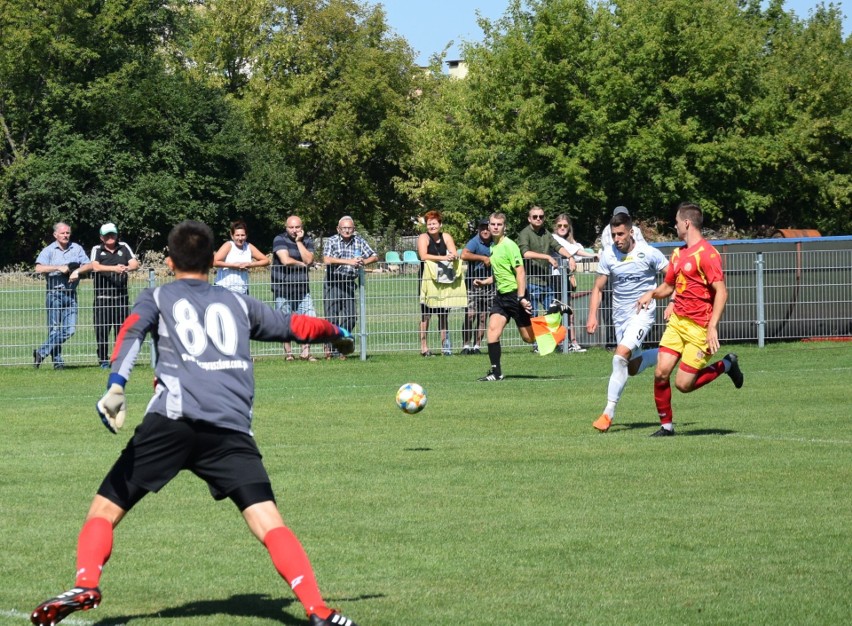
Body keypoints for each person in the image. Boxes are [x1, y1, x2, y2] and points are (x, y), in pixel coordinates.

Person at [30, 220, 359, 626]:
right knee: (268, 520)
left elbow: (130, 333)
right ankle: (318, 609)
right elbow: (295, 326)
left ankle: (86, 582)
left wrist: (116, 385)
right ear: (212, 261)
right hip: (230, 426)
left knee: (104, 509)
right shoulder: (239, 304)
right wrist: (338, 332)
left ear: (169, 262)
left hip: (171, 421)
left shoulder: (158, 295)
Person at [636, 202, 744, 437]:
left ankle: (727, 365)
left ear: (686, 223)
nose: (674, 225)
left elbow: (722, 292)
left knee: (683, 385)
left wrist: (712, 327)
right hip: (677, 324)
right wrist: (652, 293)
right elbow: (668, 286)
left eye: (676, 221)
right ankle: (666, 427)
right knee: (660, 372)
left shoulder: (707, 254)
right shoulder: (678, 253)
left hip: (699, 328)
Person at [586, 211, 669, 432]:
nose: (617, 239)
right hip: (619, 316)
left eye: (621, 234)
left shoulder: (649, 253)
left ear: (631, 232)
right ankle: (666, 353)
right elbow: (598, 287)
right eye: (613, 235)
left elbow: (674, 278)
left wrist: (671, 301)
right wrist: (593, 314)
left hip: (643, 313)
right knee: (630, 367)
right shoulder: (608, 255)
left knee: (619, 356)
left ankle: (607, 413)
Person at [477, 212, 571, 381]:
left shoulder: (510, 245)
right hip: (501, 297)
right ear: (489, 226)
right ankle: (496, 373)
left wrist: (521, 297)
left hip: (515, 296)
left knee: (529, 338)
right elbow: (502, 273)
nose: (495, 227)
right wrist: (485, 282)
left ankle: (554, 310)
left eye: (499, 224)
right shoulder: (493, 247)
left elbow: (520, 271)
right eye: (493, 224)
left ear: (504, 227)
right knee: (492, 332)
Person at [33, 222, 93, 369]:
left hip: (71, 295)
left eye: (67, 233)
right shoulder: (49, 250)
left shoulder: (77, 248)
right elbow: (38, 267)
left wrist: (77, 271)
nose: (66, 235)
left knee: (70, 330)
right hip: (54, 294)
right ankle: (58, 363)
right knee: (54, 329)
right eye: (62, 233)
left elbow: (89, 265)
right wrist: (58, 267)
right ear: (55, 235)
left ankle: (41, 352)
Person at [322, 216, 377, 359]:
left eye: (349, 228)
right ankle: (332, 349)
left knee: (351, 317)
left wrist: (363, 261)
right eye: (344, 228)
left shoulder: (358, 241)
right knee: (331, 318)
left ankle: (340, 342)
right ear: (338, 229)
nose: (347, 230)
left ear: (354, 229)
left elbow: (374, 256)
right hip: (333, 282)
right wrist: (349, 262)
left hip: (349, 283)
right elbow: (327, 259)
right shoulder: (332, 241)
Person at [90, 223, 139, 368]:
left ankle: (120, 359)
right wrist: (114, 269)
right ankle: (103, 359)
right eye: (107, 235)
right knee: (102, 330)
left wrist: (127, 268)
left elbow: (134, 263)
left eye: (112, 234)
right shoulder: (97, 249)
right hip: (102, 298)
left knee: (122, 331)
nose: (110, 238)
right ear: (101, 237)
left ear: (117, 235)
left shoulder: (124, 247)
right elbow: (95, 266)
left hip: (121, 298)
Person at [272, 215, 318, 361]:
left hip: (302, 289)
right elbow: (285, 260)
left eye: (297, 227)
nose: (294, 230)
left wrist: (299, 242)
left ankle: (305, 352)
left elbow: (309, 259)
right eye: (291, 227)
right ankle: (288, 354)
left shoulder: (307, 241)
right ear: (286, 228)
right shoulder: (279, 239)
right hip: (283, 289)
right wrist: (302, 264)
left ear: (301, 227)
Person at [517, 205, 575, 316]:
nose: (538, 218)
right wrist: (547, 257)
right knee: (533, 317)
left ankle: (549, 334)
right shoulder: (525, 233)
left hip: (547, 282)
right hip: (531, 283)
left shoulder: (546, 232)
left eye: (541, 216)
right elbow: (525, 253)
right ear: (529, 219)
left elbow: (557, 246)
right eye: (535, 217)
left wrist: (570, 257)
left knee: (553, 315)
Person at [551, 214, 596, 353]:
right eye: (560, 225)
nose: (562, 228)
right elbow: (574, 251)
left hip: (565, 278)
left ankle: (571, 341)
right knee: (561, 311)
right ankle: (564, 342)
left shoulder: (569, 241)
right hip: (556, 279)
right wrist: (593, 255)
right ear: (555, 226)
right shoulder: (555, 239)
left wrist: (571, 275)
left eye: (565, 225)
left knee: (569, 311)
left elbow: (575, 252)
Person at [417, 210, 458, 356]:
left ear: (440, 224)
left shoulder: (446, 236)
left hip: (444, 279)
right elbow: (423, 256)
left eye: (434, 223)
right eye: (429, 224)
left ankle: (445, 347)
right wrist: (443, 258)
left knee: (443, 314)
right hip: (427, 279)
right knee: (426, 314)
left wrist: (451, 256)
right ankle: (424, 347)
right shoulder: (423, 237)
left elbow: (453, 253)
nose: (432, 226)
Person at [460, 218, 495, 355]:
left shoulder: (495, 242)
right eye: (482, 228)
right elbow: (464, 254)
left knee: (483, 316)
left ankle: (477, 346)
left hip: (490, 284)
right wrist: (483, 258)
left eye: (487, 228)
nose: (485, 230)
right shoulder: (475, 241)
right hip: (472, 284)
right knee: (470, 315)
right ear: (479, 229)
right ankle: (466, 345)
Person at [213, 220, 270, 294]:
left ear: (246, 235)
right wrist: (233, 265)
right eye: (237, 235)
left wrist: (250, 265)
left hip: (242, 290)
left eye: (242, 235)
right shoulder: (228, 245)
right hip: (223, 289)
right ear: (232, 235)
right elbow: (215, 262)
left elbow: (266, 260)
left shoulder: (249, 246)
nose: (240, 238)